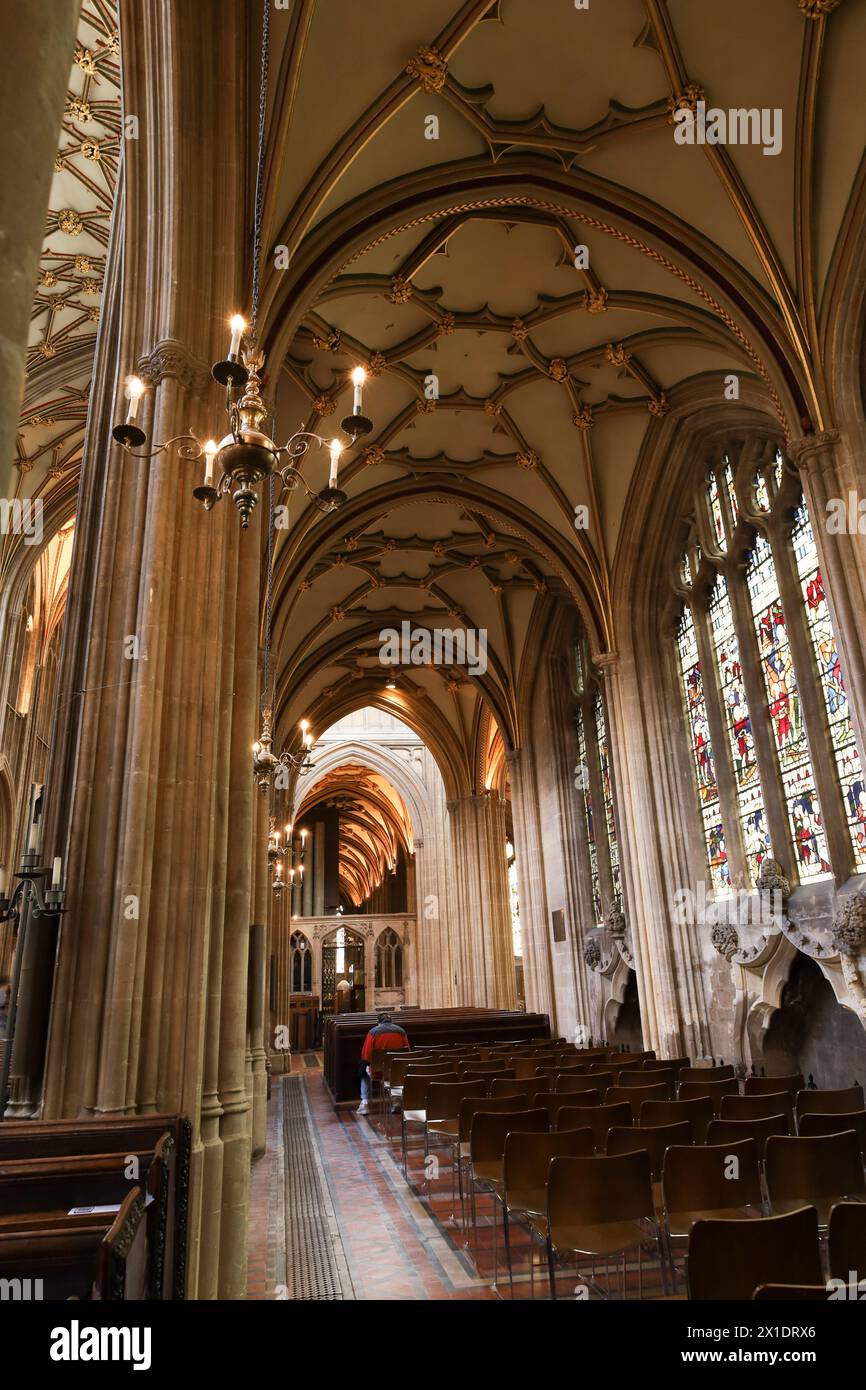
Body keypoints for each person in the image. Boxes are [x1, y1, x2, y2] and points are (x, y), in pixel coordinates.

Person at [357, 1010, 409, 1116]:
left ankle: (365, 1104)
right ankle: (396, 1100)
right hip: (397, 1071)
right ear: (391, 1021)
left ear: (378, 1022)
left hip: (378, 1072)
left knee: (363, 1069)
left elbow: (366, 1056)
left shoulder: (373, 1032)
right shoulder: (401, 1031)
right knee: (398, 1073)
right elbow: (407, 1052)